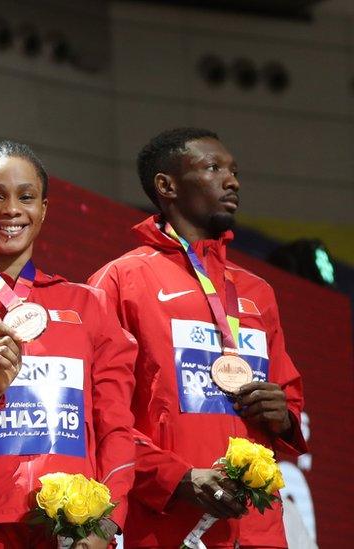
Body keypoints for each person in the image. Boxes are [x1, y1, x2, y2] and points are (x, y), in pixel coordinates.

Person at [88, 128, 307, 548]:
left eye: (234, 171)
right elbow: (101, 416)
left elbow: (290, 397)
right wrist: (178, 479)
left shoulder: (257, 291)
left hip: (258, 527)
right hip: (168, 525)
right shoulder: (120, 281)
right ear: (166, 186)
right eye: (213, 168)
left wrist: (283, 415)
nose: (233, 181)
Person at [0, 141, 136, 548]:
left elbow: (116, 427)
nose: (11, 210)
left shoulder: (88, 305)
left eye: (26, 197)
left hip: (73, 529)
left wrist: (107, 520)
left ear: (43, 209)